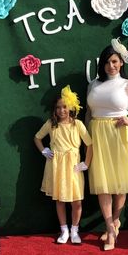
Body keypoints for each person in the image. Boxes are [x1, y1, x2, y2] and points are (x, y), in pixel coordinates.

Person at [85, 39, 128, 251]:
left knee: (120, 182)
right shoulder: (93, 84)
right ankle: (110, 226)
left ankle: (114, 224)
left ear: (121, 62)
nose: (111, 66)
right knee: (103, 184)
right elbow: (89, 113)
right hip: (98, 136)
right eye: (107, 62)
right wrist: (87, 137)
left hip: (120, 135)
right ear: (102, 64)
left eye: (114, 61)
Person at [34, 85, 93, 244]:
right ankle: (64, 230)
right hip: (57, 166)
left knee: (77, 201)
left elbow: (90, 144)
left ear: (71, 107)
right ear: (54, 110)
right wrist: (44, 150)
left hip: (73, 166)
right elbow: (37, 138)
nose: (61, 110)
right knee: (59, 199)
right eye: (58, 107)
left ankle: (75, 230)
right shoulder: (51, 124)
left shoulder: (78, 125)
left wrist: (86, 163)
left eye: (65, 107)